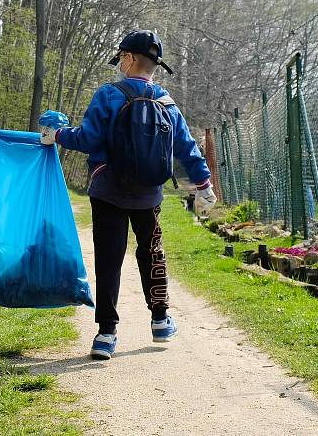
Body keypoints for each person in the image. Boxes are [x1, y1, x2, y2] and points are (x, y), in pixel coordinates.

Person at [39, 29, 217, 360]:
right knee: (152, 253)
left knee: (109, 259)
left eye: (121, 56)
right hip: (149, 193)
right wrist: (204, 184)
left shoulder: (108, 95)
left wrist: (58, 134)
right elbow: (186, 148)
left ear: (131, 58)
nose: (120, 62)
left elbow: (88, 140)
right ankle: (161, 320)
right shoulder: (167, 102)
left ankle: (106, 334)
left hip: (108, 190)